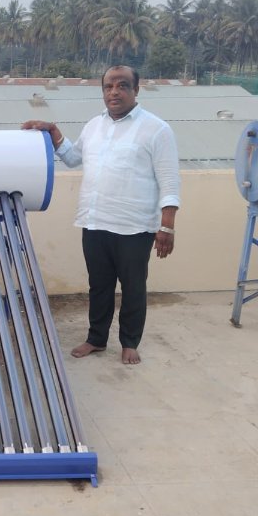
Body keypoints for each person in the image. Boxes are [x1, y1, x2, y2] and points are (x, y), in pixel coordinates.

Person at [22, 65, 180, 365]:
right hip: (94, 222)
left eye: (122, 85)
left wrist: (167, 226)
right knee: (99, 285)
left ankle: (130, 342)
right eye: (109, 86)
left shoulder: (157, 129)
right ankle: (96, 338)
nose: (114, 92)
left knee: (133, 287)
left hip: (135, 226)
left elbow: (169, 180)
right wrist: (54, 134)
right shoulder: (94, 126)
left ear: (136, 90)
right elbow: (73, 158)